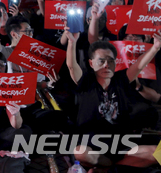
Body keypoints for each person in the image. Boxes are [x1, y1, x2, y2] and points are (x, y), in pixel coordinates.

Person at [65, 31, 161, 169]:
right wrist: (72, 43)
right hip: (94, 147)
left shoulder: (121, 79)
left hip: (121, 145)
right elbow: (71, 66)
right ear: (91, 63)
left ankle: (111, 170)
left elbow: (139, 65)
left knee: (158, 153)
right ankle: (113, 168)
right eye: (101, 60)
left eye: (110, 60)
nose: (106, 65)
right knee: (80, 152)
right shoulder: (86, 82)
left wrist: (155, 47)